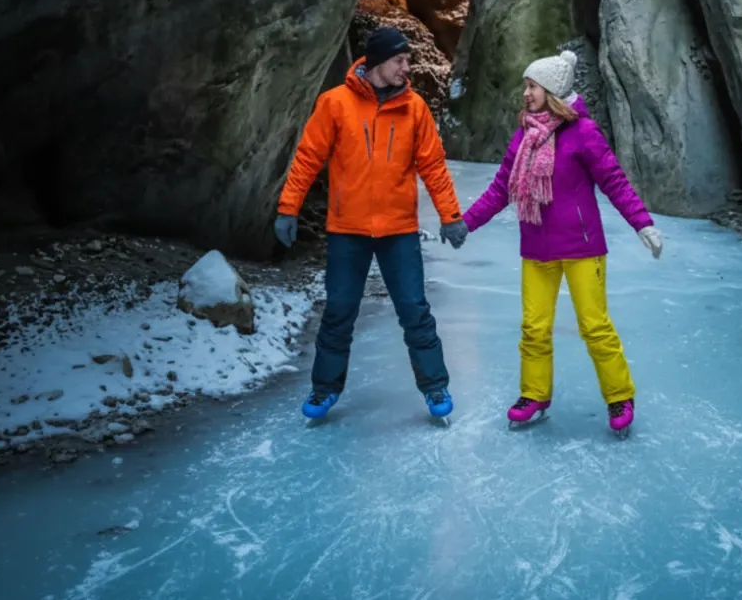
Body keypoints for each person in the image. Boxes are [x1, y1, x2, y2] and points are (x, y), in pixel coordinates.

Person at [461, 50, 663, 437]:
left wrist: (643, 224)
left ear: (551, 90)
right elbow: (501, 188)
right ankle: (534, 394)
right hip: (537, 247)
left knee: (595, 327)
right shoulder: (524, 135)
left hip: (583, 247)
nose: (526, 93)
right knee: (534, 328)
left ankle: (619, 395)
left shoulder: (583, 133)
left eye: (532, 86)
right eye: (525, 85)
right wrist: (466, 223)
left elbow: (614, 182)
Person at [275, 26, 469, 422]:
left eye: (408, 60)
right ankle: (324, 389)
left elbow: (432, 166)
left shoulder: (414, 108)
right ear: (378, 63)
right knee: (339, 311)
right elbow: (308, 157)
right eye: (400, 60)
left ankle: (435, 388)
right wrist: (288, 208)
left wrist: (450, 216)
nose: (407, 67)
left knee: (415, 310)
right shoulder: (334, 103)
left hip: (398, 231)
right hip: (348, 230)